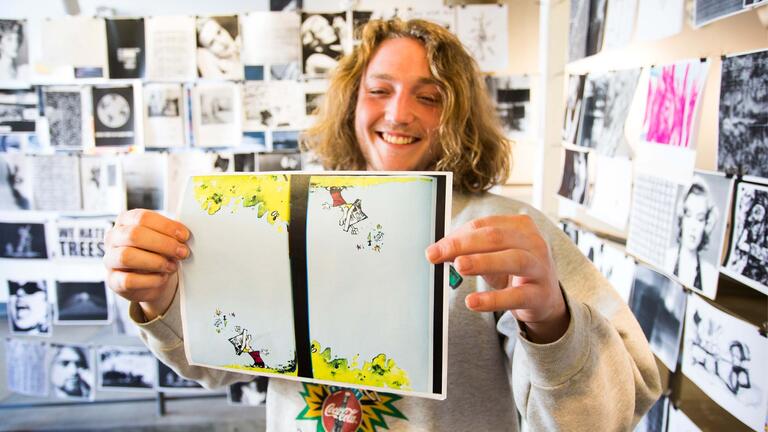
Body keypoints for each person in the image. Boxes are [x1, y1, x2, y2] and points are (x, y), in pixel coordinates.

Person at [105, 19, 661, 430]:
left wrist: (554, 323)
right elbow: (215, 365)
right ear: (351, 102)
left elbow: (619, 402)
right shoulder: (288, 211)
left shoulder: (507, 230)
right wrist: (162, 297)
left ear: (459, 114)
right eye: (379, 91)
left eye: (430, 96)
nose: (399, 114)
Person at [664, 176, 720, 293]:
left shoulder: (711, 274)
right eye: (688, 215)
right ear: (682, 218)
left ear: (706, 223)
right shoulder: (666, 259)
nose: (693, 226)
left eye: (700, 219)